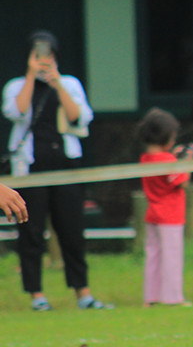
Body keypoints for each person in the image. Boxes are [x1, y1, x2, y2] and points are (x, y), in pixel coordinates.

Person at [2, 30, 111, 311]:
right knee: (31, 232)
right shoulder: (16, 85)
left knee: (72, 231)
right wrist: (30, 74)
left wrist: (57, 82)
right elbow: (18, 111)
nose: (43, 59)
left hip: (66, 167)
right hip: (31, 168)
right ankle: (36, 295)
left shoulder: (70, 83)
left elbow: (79, 116)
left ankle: (83, 293)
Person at [137, 107, 193, 307]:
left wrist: (175, 159)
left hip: (152, 213)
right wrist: (186, 161)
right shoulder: (167, 160)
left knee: (153, 255)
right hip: (170, 216)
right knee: (172, 256)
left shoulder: (145, 158)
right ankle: (172, 297)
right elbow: (181, 182)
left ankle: (150, 297)